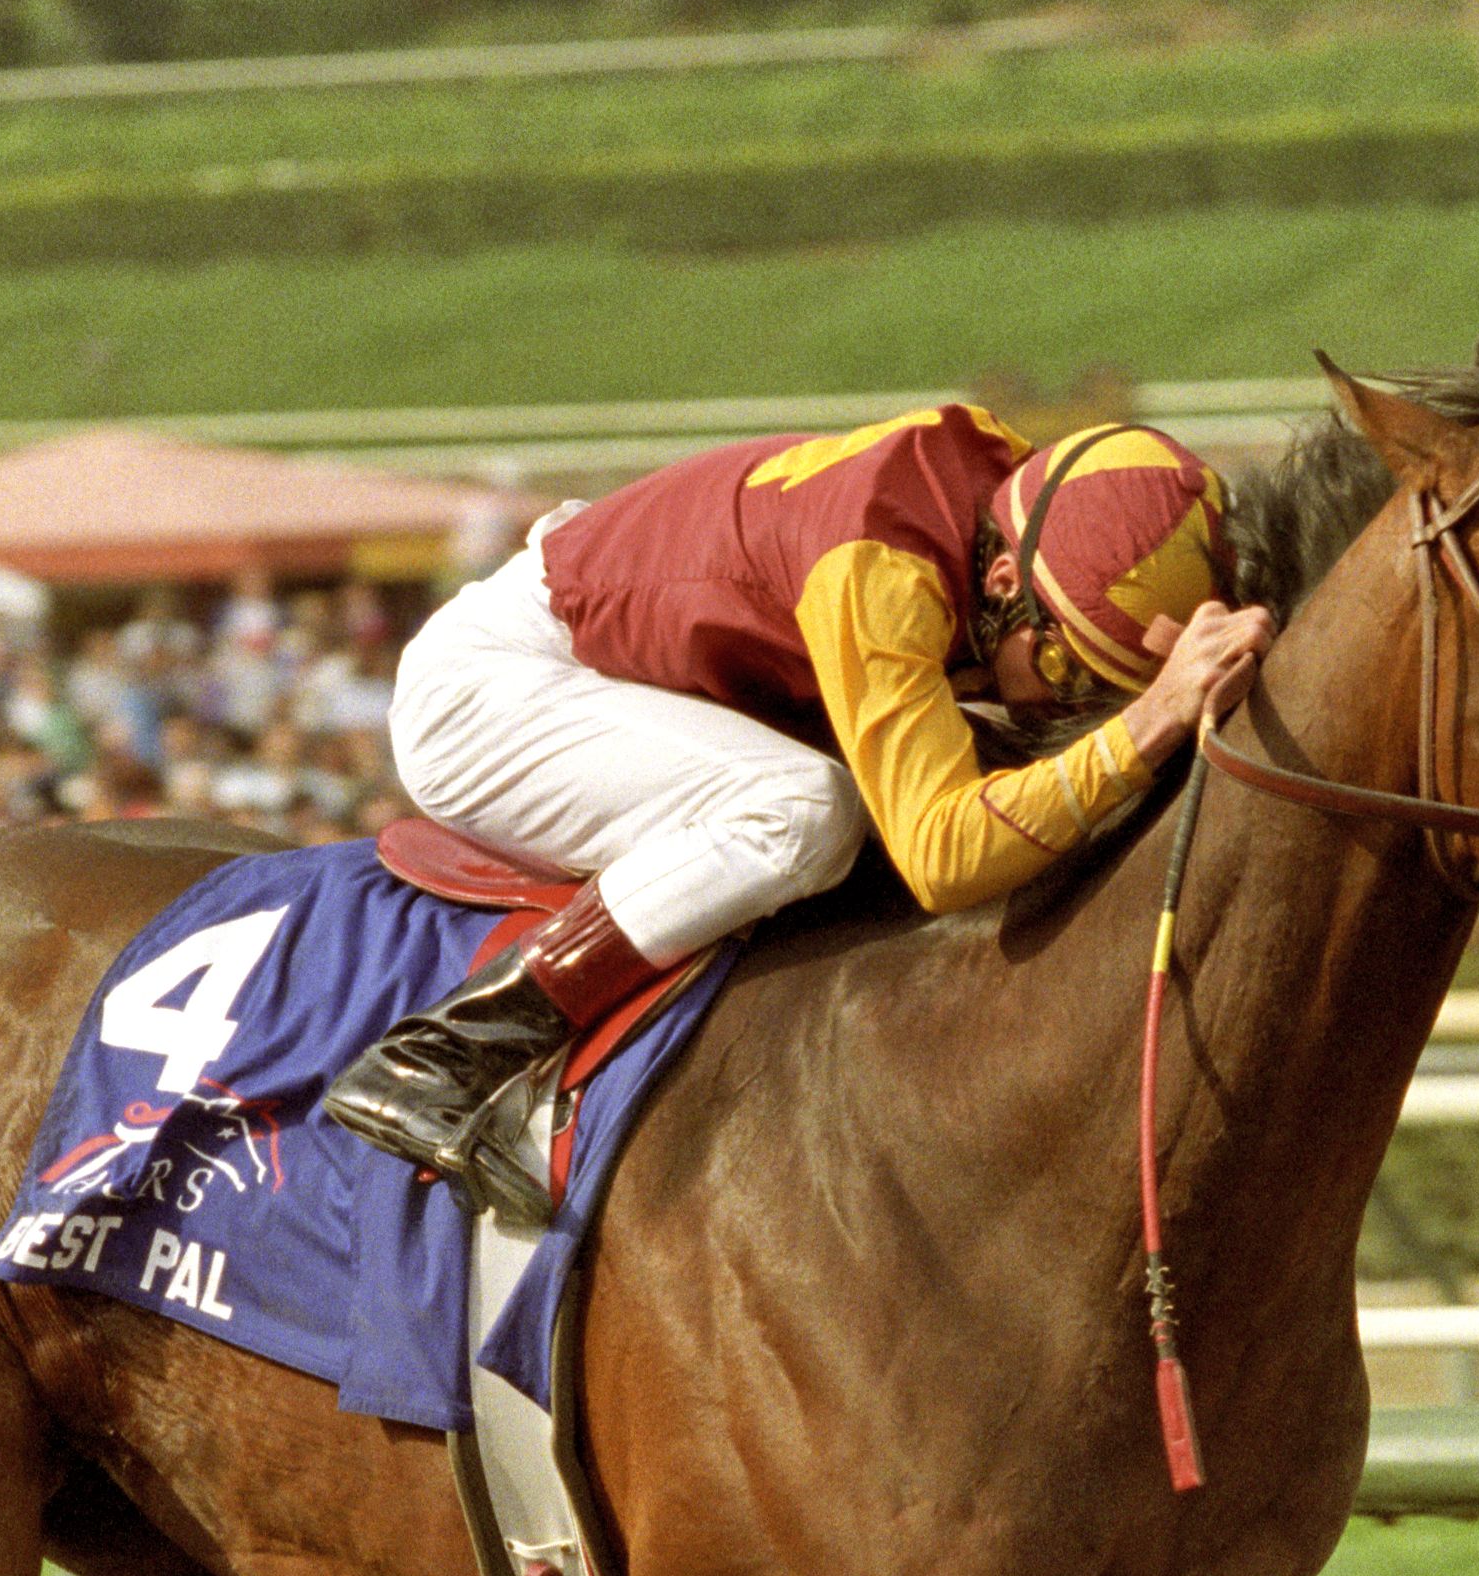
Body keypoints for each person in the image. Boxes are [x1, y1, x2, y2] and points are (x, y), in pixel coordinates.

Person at [322, 408, 1273, 1221]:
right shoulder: (881, 572)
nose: (1065, 705)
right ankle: (448, 1052)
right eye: (1070, 672)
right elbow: (944, 856)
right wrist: (1147, 721)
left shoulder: (1022, 509)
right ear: (999, 585)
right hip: (500, 690)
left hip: (622, 651)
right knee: (801, 811)